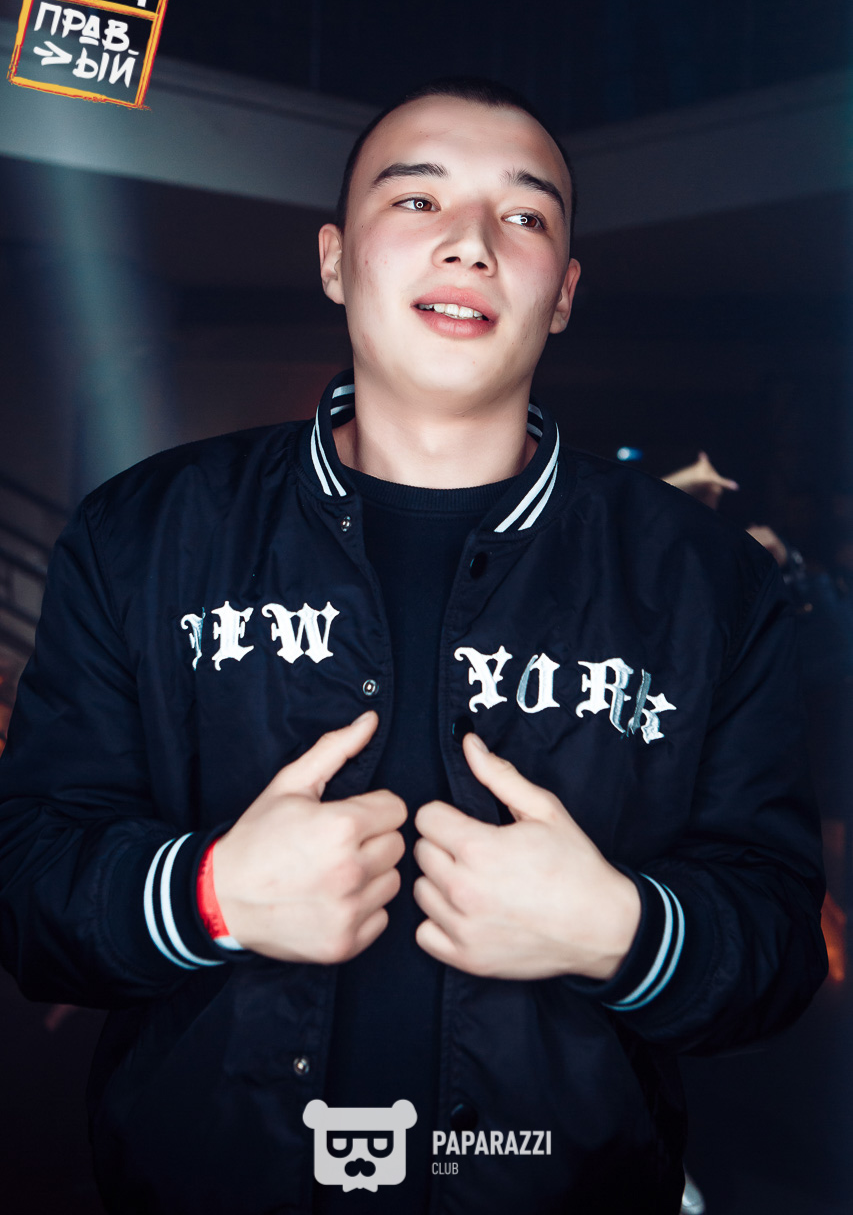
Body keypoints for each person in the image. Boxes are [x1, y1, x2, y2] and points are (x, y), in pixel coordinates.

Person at [0, 77, 827, 1215]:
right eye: (418, 199)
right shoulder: (141, 535)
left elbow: (776, 943)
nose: (473, 243)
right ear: (335, 261)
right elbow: (27, 886)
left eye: (524, 215)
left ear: (562, 292)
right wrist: (209, 895)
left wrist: (620, 932)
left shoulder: (708, 580)